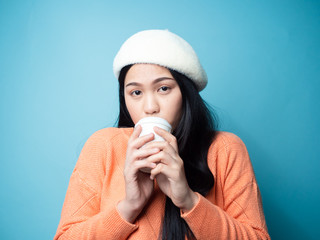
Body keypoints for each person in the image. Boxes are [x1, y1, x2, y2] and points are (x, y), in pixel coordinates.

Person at [54, 29, 270, 240]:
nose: (150, 107)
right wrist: (129, 206)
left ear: (186, 93)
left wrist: (188, 199)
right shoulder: (103, 146)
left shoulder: (225, 149)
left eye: (163, 88)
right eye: (136, 92)